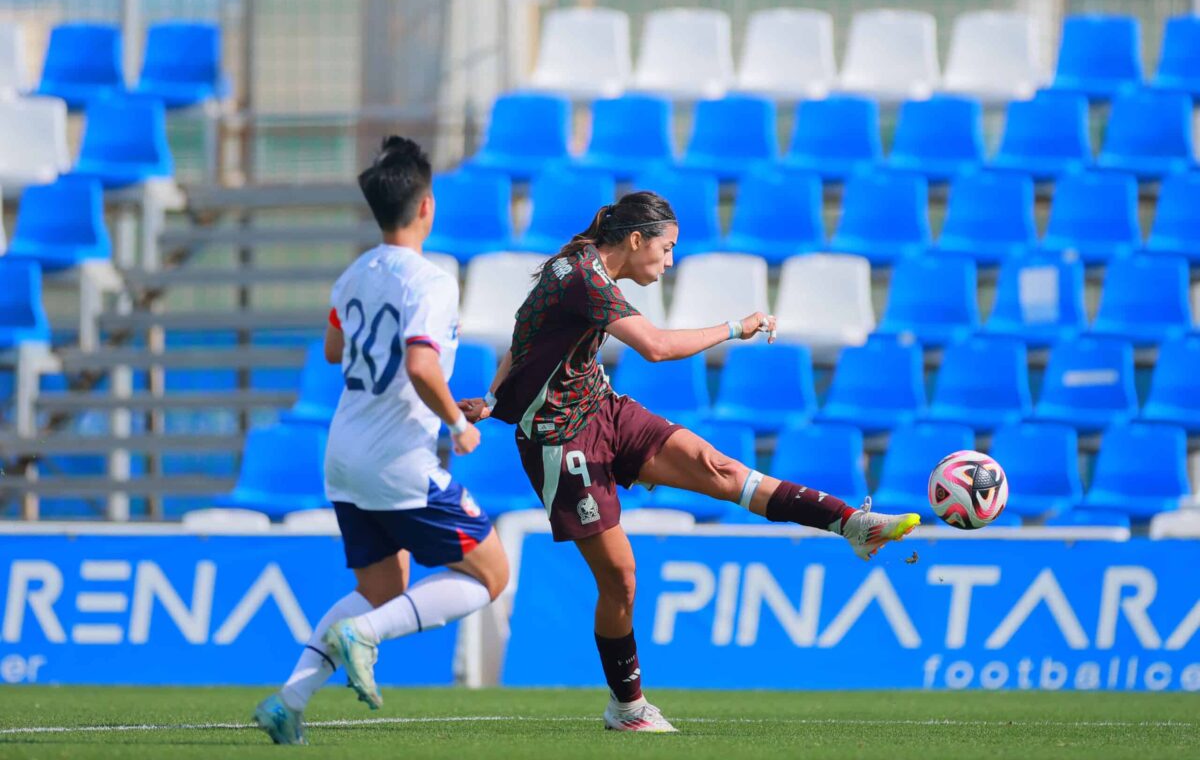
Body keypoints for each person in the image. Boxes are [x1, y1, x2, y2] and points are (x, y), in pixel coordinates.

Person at [457, 191, 919, 733]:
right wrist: (734, 329)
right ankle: (626, 708)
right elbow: (653, 347)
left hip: (602, 409)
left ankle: (851, 524)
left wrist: (493, 400)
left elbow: (527, 338)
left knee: (720, 468)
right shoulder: (584, 278)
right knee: (621, 581)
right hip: (561, 443)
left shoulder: (581, 267)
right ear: (636, 240)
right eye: (668, 248)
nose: (671, 260)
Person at [254, 137, 509, 745]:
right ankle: (364, 637)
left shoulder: (353, 275)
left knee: (380, 590)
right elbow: (422, 366)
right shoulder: (433, 280)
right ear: (426, 207)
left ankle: (290, 700)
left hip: (343, 453)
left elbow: (334, 350)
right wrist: (458, 422)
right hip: (399, 457)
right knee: (490, 575)